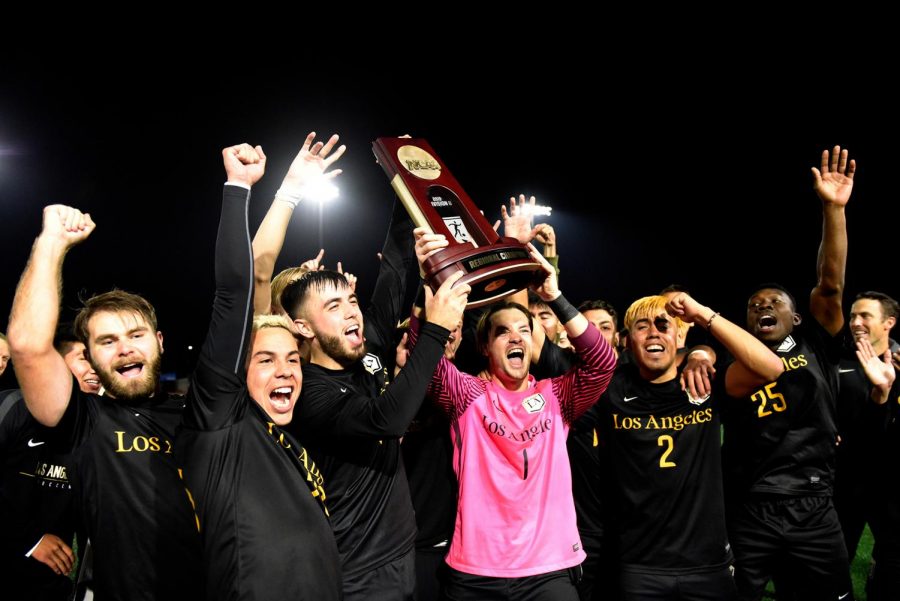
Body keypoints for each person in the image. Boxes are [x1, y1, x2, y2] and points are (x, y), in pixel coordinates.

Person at [173, 142, 343, 599]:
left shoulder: (288, 429)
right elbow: (241, 287)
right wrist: (247, 188)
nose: (285, 371)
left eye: (292, 359)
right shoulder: (220, 423)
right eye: (264, 361)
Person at [409, 229, 616, 600]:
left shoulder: (556, 396)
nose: (516, 337)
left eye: (524, 330)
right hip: (476, 572)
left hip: (549, 571)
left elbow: (602, 362)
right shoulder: (467, 395)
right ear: (485, 347)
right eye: (503, 332)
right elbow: (423, 357)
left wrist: (553, 296)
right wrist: (428, 279)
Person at [6, 205, 201, 600]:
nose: (125, 349)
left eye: (136, 335)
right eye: (107, 341)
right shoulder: (85, 421)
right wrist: (52, 244)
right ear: (91, 358)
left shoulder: (199, 412)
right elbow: (27, 346)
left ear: (160, 342)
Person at [280, 196, 466, 599]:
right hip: (357, 569)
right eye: (334, 306)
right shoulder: (310, 393)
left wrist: (403, 184)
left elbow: (395, 269)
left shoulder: (367, 351)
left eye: (351, 300)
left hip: (401, 553)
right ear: (304, 327)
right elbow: (388, 420)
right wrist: (435, 330)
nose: (352, 312)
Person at [721, 146, 856, 601]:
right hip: (750, 506)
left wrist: (832, 209)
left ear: (797, 318)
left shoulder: (814, 342)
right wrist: (701, 354)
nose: (763, 306)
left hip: (813, 503)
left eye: (775, 301)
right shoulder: (732, 363)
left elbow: (830, 281)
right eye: (755, 304)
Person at [596, 293, 783, 600]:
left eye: (663, 325)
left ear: (679, 335)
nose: (654, 332)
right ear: (627, 341)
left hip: (708, 565)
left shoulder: (703, 384)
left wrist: (703, 315)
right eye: (642, 326)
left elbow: (771, 368)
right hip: (639, 566)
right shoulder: (612, 390)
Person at [834, 291, 899, 561]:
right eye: (852, 316)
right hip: (843, 477)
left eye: (864, 316)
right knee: (835, 560)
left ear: (889, 323)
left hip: (889, 480)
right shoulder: (836, 361)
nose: (855, 322)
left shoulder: (899, 362)